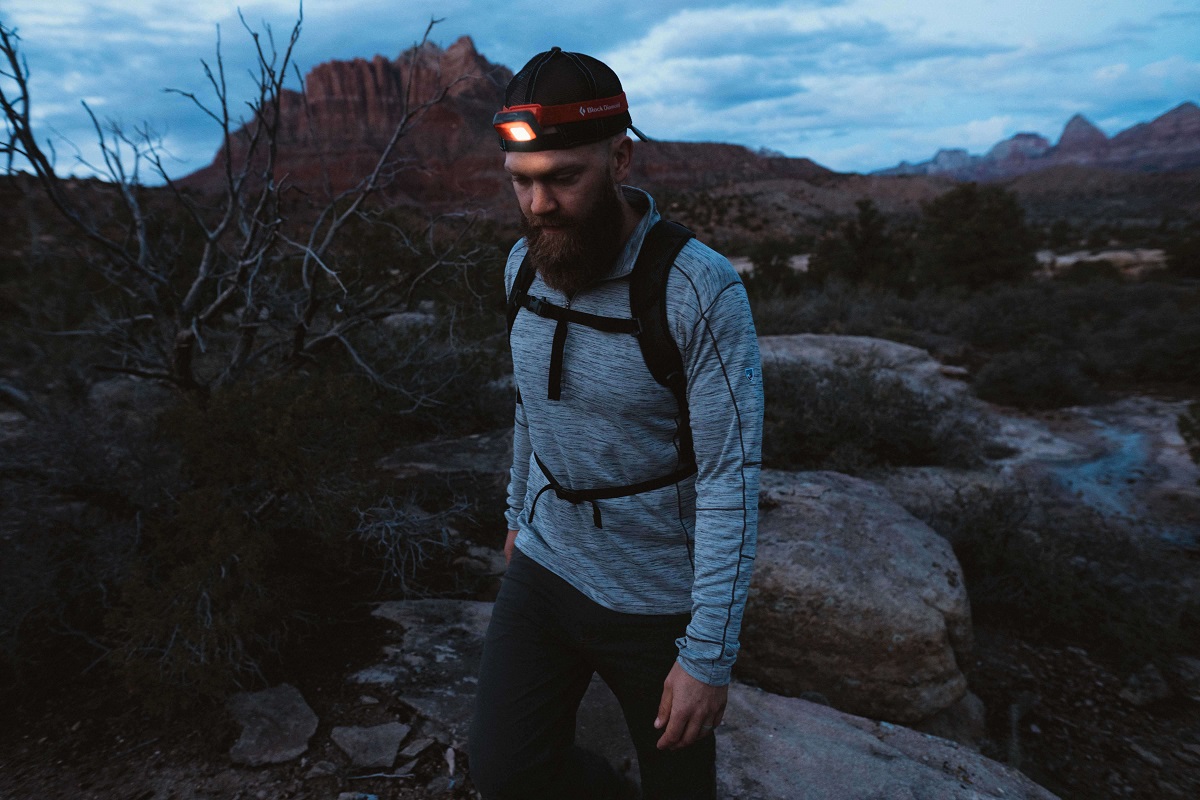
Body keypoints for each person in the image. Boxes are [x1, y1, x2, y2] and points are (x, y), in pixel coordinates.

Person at [468, 47, 763, 800]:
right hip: (545, 566)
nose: (539, 206)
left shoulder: (699, 290)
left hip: (655, 596)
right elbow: (531, 403)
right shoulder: (522, 265)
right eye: (522, 183)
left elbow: (731, 478)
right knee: (506, 774)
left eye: (564, 178)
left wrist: (707, 657)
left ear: (620, 155)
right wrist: (515, 513)